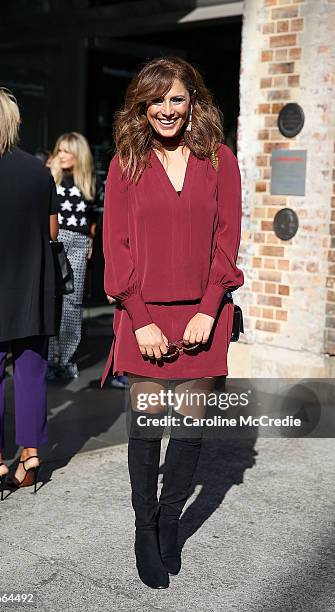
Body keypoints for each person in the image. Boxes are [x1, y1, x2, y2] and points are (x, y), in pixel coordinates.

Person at [101, 57, 243, 588]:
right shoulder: (125, 164)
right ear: (141, 105)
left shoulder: (220, 160)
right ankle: (144, 528)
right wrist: (138, 319)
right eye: (156, 100)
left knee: (188, 435)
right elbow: (116, 247)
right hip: (145, 321)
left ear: (193, 102)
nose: (167, 110)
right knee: (146, 431)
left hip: (203, 320)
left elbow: (226, 240)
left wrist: (210, 309)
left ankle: (168, 525)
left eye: (176, 99)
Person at [0, 86, 59, 498]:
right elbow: (52, 230)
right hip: (33, 287)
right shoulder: (38, 171)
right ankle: (31, 456)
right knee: (31, 373)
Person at [47, 132, 99, 379]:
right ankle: (49, 360)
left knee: (72, 302)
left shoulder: (89, 181)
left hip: (78, 242)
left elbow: (93, 217)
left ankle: (66, 360)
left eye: (67, 151)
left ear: (79, 154)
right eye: (59, 150)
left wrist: (90, 240)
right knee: (50, 300)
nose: (62, 155)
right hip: (53, 241)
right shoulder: (50, 177)